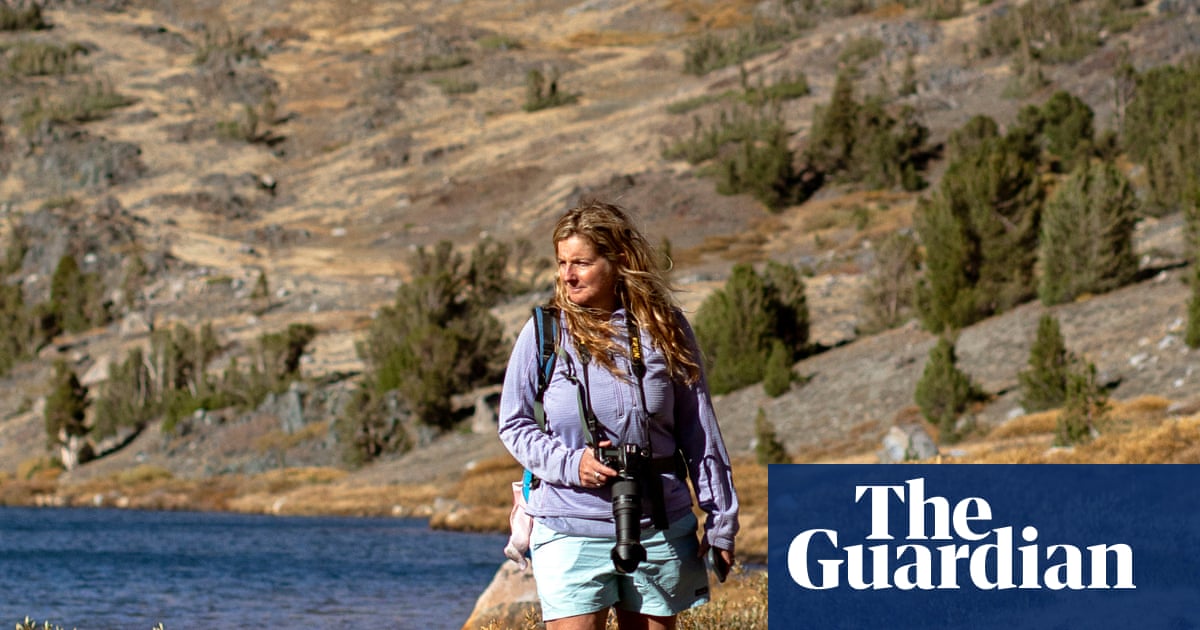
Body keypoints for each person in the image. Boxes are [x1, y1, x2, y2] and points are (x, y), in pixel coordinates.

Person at [498, 200, 739, 630]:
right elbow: (513, 425)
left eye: (581, 263)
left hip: (659, 523)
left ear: (618, 261)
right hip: (569, 526)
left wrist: (720, 520)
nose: (567, 275)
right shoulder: (544, 332)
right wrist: (573, 464)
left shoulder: (666, 327)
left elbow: (699, 430)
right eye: (561, 263)